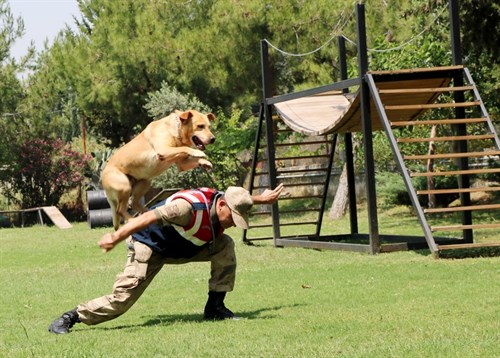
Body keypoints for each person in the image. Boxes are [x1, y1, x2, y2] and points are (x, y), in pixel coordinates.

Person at [48, 183, 284, 334]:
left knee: (224, 245)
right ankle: (71, 317)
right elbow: (147, 217)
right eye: (231, 217)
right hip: (149, 247)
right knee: (122, 300)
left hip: (181, 247)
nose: (232, 222)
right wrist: (116, 236)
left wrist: (263, 199)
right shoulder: (185, 209)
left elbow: (240, 201)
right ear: (221, 204)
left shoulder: (226, 201)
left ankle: (215, 307)